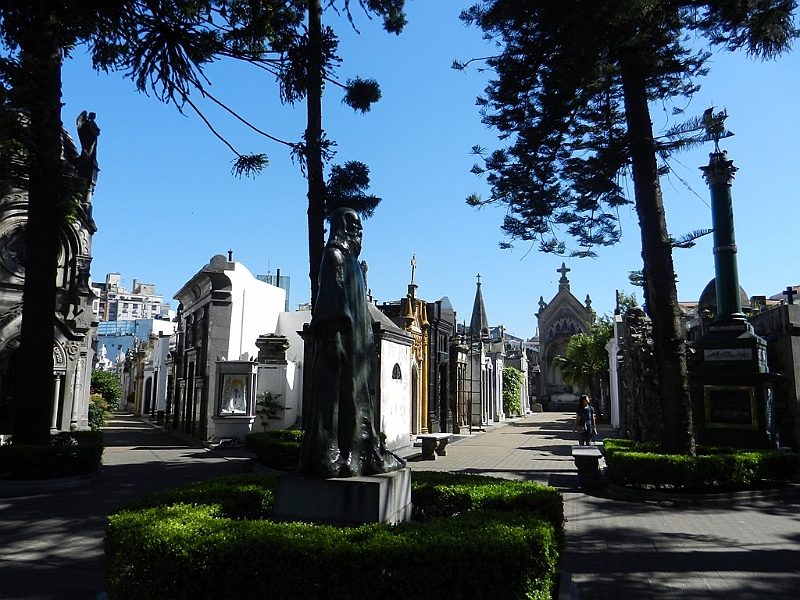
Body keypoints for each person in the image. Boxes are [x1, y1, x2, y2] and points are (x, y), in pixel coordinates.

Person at [300, 207, 405, 478]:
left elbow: (360, 310)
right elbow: (331, 303)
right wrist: (335, 340)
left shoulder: (354, 264)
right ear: (343, 228)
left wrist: (367, 342)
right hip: (340, 347)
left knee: (355, 402)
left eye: (361, 228)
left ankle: (360, 453)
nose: (359, 233)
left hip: (356, 349)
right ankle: (330, 456)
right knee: (333, 402)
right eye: (355, 227)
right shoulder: (334, 256)